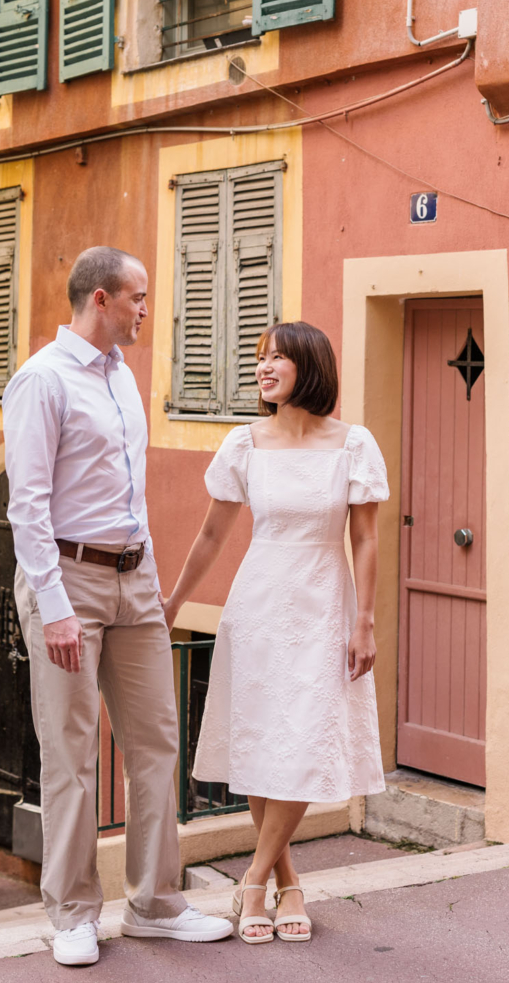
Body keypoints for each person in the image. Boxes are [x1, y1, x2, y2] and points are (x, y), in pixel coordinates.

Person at [3, 247, 232, 967]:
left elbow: (128, 498)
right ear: (99, 300)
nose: (145, 309)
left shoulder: (124, 379)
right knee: (69, 752)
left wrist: (155, 588)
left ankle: (157, 903)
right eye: (136, 297)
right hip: (67, 581)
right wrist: (56, 605)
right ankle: (71, 912)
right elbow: (27, 507)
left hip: (135, 582)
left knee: (157, 741)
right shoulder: (41, 380)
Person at [163, 320, 388, 945]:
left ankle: (252, 879)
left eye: (279, 358)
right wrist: (175, 599)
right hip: (257, 603)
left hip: (324, 603)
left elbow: (366, 538)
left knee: (305, 736)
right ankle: (288, 884)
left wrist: (364, 620)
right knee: (265, 739)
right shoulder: (244, 443)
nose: (265, 368)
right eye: (260, 358)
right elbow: (212, 535)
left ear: (309, 367)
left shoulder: (353, 444)